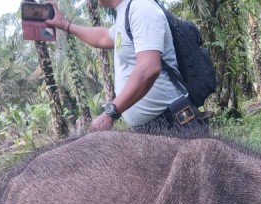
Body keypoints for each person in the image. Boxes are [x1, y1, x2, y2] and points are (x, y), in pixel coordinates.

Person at [45, 0, 204, 134]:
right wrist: (65, 25)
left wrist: (111, 112)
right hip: (155, 128)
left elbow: (148, 68)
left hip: (173, 124)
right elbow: (103, 37)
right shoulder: (126, 13)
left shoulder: (141, 9)